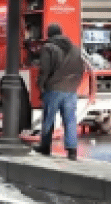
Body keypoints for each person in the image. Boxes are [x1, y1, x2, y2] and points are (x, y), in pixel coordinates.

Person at [35, 23, 86, 160]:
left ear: (49, 34)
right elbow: (82, 69)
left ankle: (45, 147)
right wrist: (75, 84)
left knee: (49, 118)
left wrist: (40, 85)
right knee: (70, 120)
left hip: (54, 89)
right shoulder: (75, 48)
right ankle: (72, 151)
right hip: (71, 90)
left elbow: (44, 70)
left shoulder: (48, 48)